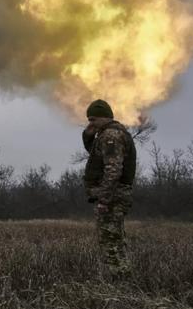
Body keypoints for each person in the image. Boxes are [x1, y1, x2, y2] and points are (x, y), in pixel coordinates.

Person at [82, 99, 137, 276]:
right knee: (114, 239)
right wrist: (88, 135)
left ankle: (119, 282)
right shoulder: (110, 134)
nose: (90, 123)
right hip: (116, 195)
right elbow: (96, 155)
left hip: (113, 197)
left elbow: (113, 171)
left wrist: (104, 200)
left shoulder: (111, 136)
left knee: (110, 240)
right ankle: (123, 278)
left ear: (104, 118)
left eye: (93, 120)